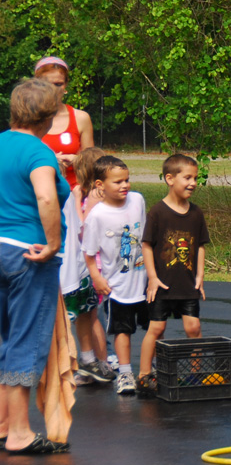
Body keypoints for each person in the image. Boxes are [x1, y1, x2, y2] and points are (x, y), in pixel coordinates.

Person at [0, 78, 71, 453]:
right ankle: (20, 434)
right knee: (25, 341)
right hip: (27, 255)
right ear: (46, 118)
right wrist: (54, 243)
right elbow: (46, 196)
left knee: (3, 340)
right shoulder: (37, 151)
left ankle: (2, 426)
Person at [137, 154, 211, 396]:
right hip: (162, 284)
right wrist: (152, 277)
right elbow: (146, 245)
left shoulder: (196, 213)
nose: (192, 183)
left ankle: (195, 374)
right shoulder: (158, 212)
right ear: (170, 178)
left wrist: (199, 275)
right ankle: (144, 374)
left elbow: (200, 245)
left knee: (194, 327)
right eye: (187, 177)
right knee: (156, 329)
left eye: (195, 178)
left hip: (187, 283)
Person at [81, 155, 148, 395]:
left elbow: (146, 237)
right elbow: (89, 254)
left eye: (127, 180)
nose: (125, 186)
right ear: (100, 185)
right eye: (117, 182)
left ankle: (148, 372)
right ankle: (126, 373)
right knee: (123, 330)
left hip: (145, 280)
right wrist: (97, 278)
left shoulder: (138, 200)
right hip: (117, 286)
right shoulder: (97, 216)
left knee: (154, 326)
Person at [63, 147, 114, 385]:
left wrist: (75, 200)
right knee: (91, 315)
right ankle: (93, 362)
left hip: (94, 265)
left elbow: (83, 226)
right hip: (100, 262)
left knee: (91, 316)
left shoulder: (93, 195)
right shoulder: (103, 194)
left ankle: (100, 363)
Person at [33, 56, 94, 189]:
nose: (53, 90)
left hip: (75, 193)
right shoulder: (29, 119)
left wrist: (75, 159)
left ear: (65, 85)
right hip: (38, 193)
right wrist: (50, 160)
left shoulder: (80, 118)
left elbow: (93, 162)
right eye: (47, 84)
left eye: (58, 84)